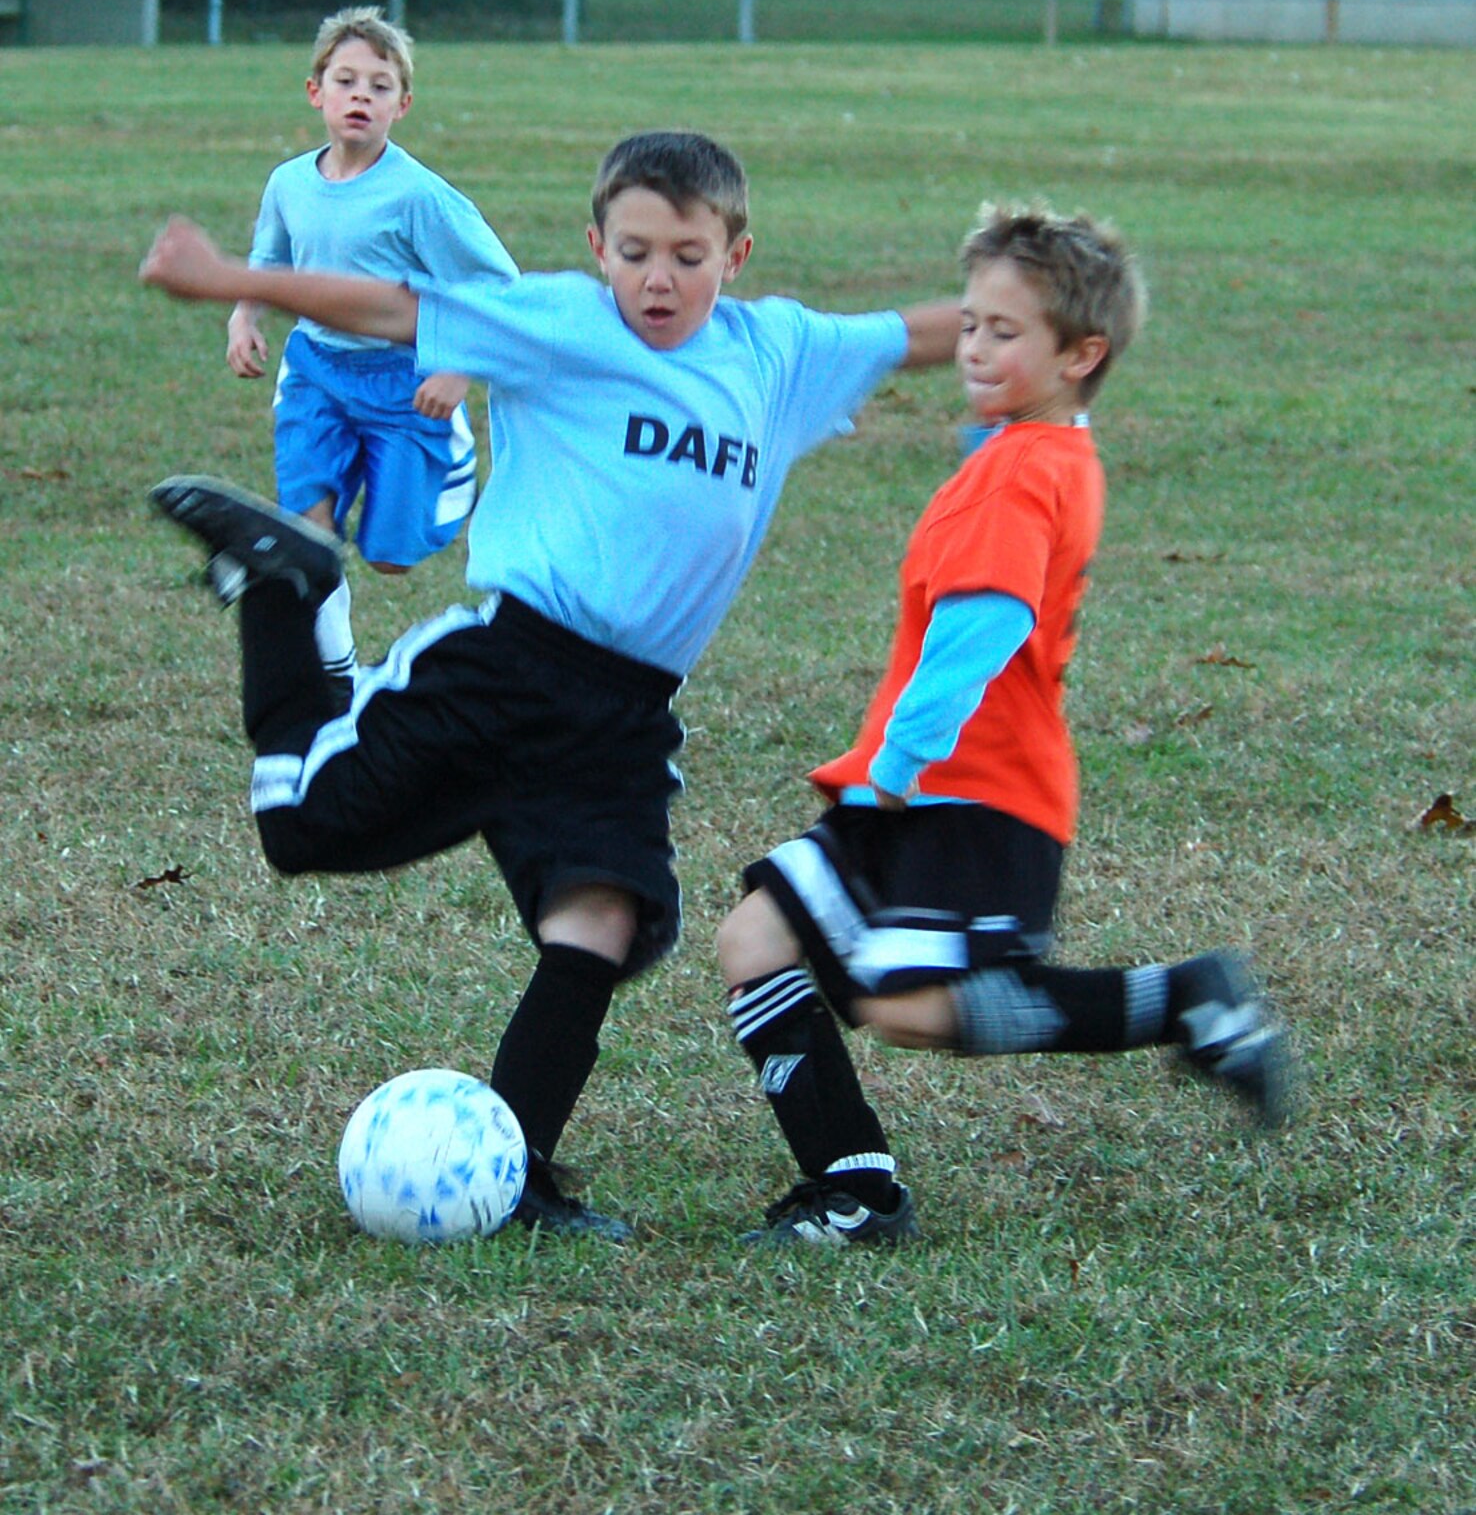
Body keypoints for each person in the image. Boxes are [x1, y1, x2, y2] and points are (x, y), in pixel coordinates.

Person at [138, 130, 961, 1241]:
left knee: (599, 923)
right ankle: (288, 584)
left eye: (686, 253)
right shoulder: (560, 318)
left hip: (625, 711)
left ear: (737, 253)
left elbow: (915, 333)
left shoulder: (780, 352)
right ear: (597, 246)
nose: (657, 278)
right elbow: (387, 304)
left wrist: (1038, 333)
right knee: (297, 828)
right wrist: (228, 280)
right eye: (633, 251)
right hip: (508, 666)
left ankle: (514, 1175)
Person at [717, 203, 1292, 1249]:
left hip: (969, 795)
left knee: (908, 1005)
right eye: (971, 324)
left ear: (1082, 354)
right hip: (911, 785)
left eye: (1005, 332)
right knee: (756, 938)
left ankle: (1185, 999)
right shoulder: (1041, 447)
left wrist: (898, 759)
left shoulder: (1028, 469)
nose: (974, 347)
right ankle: (855, 1185)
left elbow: (985, 628)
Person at [226, 6, 518, 696]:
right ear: (315, 92)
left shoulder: (420, 198)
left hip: (404, 383)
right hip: (316, 373)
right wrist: (244, 317)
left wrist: (456, 367)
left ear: (403, 105)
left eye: (379, 86)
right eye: (346, 80)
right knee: (310, 532)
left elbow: (499, 288)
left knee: (389, 556)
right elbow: (268, 263)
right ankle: (336, 671)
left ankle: (448, 464)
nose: (361, 96)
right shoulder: (289, 183)